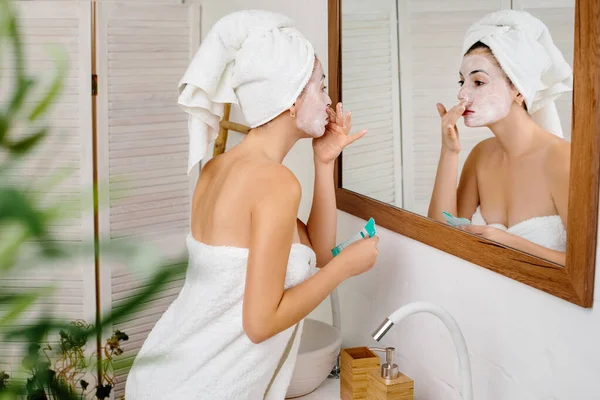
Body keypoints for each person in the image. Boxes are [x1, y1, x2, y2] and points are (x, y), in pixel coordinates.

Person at [125, 10, 379, 400]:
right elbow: (261, 323)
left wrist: (324, 161)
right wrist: (347, 268)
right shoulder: (275, 183)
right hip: (197, 388)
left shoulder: (217, 168)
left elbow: (317, 252)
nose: (330, 102)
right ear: (293, 98)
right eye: (322, 88)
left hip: (165, 375)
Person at [427, 10, 573, 265]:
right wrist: (449, 152)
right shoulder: (481, 156)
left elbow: (586, 268)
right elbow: (441, 239)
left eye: (478, 82)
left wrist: (510, 243)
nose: (462, 93)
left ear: (518, 89)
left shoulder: (563, 159)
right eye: (461, 81)